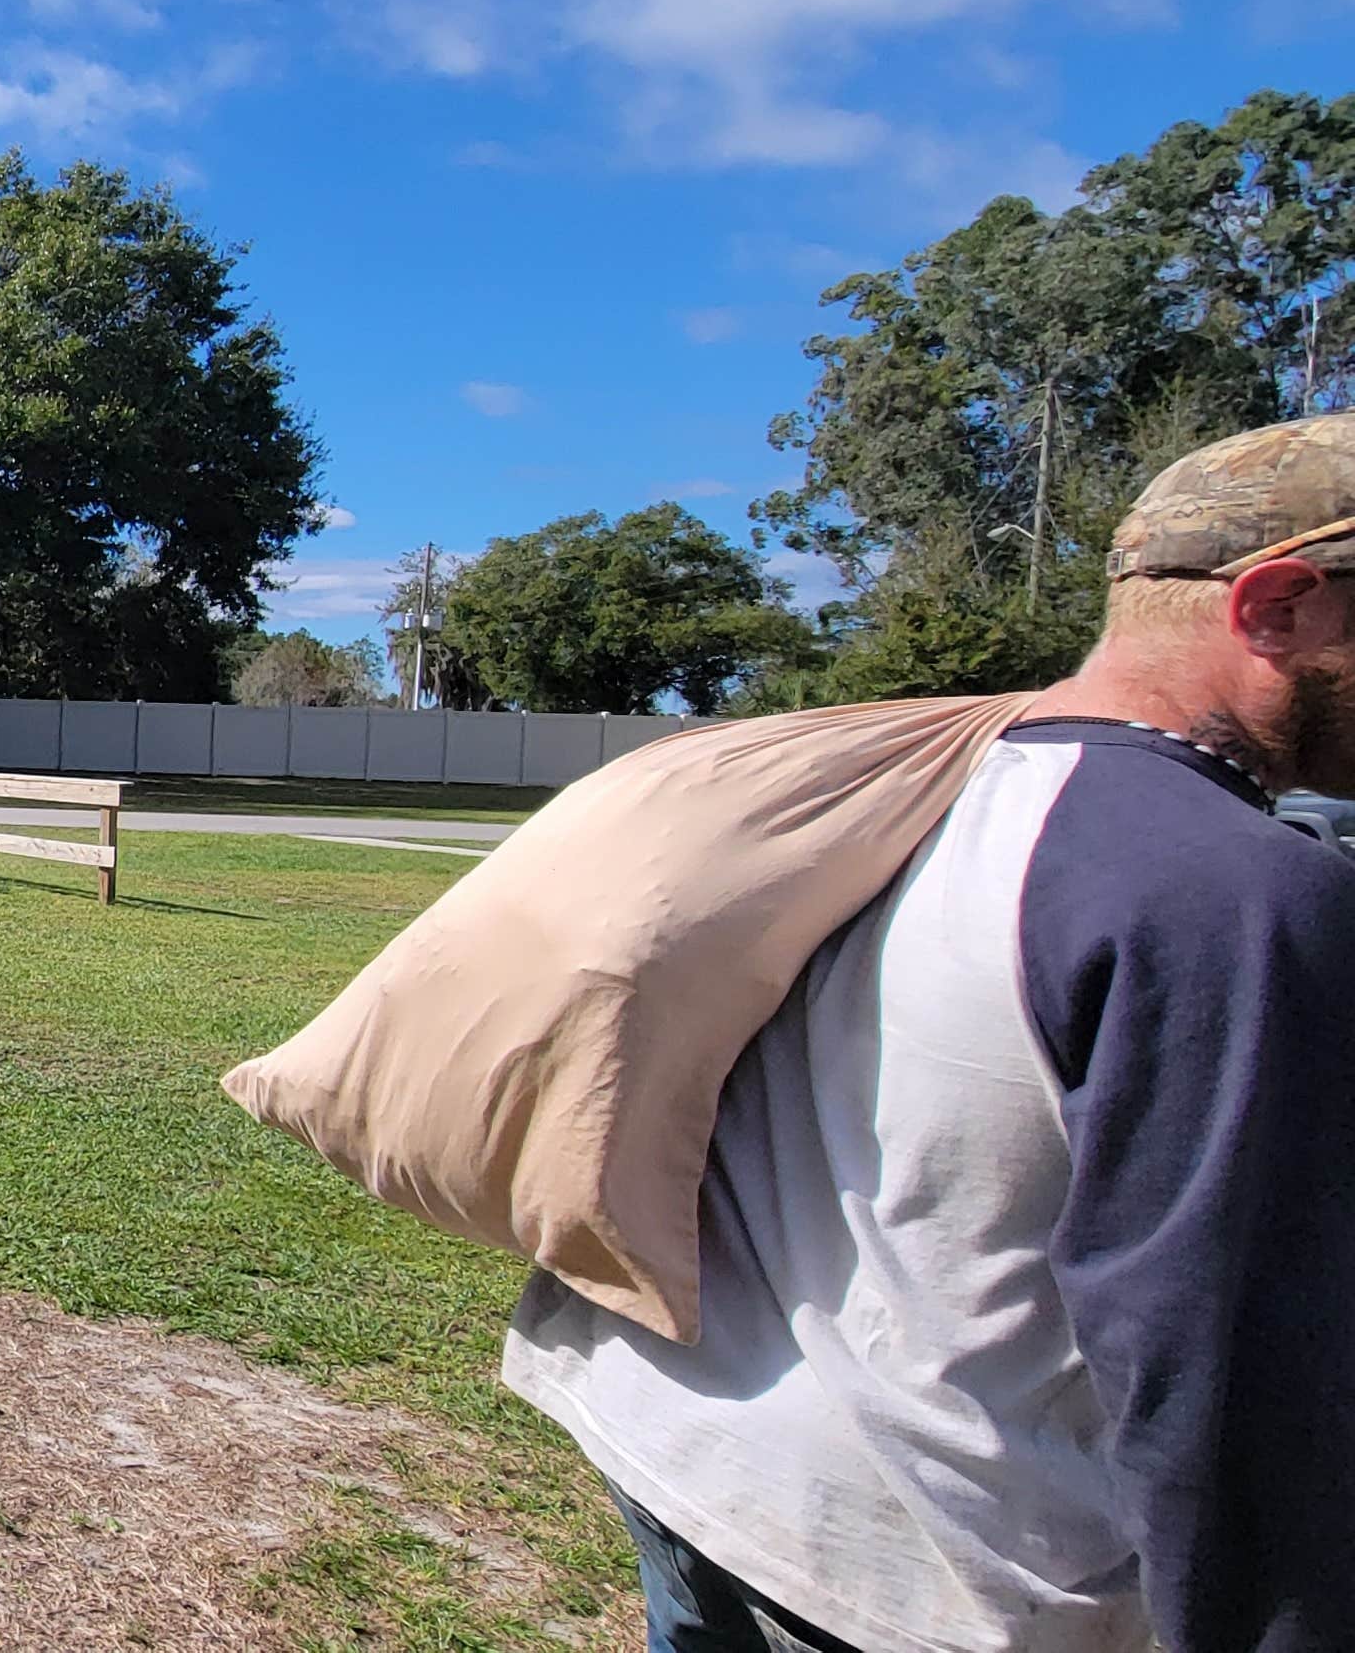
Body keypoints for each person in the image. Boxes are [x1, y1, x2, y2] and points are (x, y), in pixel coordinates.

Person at [499, 414, 1355, 1653]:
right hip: (930, 1557)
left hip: (685, 1441)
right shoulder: (1234, 891)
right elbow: (1220, 1359)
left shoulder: (896, 783)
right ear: (1275, 605)